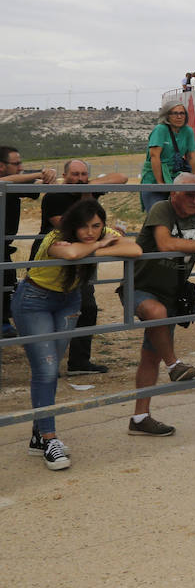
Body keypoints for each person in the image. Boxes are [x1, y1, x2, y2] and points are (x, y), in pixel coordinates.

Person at [15, 199, 142, 469]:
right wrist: (98, 246)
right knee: (46, 370)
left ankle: (40, 437)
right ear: (72, 224)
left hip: (69, 301)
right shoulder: (55, 238)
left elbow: (135, 249)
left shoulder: (103, 234)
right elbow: (71, 254)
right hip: (34, 300)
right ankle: (50, 439)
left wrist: (96, 247)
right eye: (83, 227)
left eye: (96, 226)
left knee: (50, 369)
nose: (90, 232)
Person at [125, 174, 195, 435]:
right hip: (141, 287)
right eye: (189, 194)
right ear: (174, 193)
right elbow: (166, 243)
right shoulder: (161, 208)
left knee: (150, 354)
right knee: (157, 314)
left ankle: (140, 418)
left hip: (171, 292)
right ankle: (174, 365)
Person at [36, 160, 129, 375]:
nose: (79, 178)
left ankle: (79, 362)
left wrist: (87, 188)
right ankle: (48, 365)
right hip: (54, 261)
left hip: (82, 261)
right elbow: (67, 226)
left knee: (87, 308)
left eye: (83, 174)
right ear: (64, 175)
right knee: (54, 311)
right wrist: (102, 232)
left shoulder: (89, 192)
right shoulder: (56, 195)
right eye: (75, 174)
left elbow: (121, 177)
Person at [2, 149, 57, 336]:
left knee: (7, 282)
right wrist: (39, 172)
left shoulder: (16, 183)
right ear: (1, 166)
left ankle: (4, 323)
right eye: (16, 164)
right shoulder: (5, 182)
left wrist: (49, 176)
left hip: (3, 247)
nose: (21, 168)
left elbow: (38, 185)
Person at [139, 100, 195, 212]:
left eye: (182, 113)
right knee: (157, 213)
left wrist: (192, 180)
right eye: (175, 113)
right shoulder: (160, 129)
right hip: (154, 177)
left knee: (180, 212)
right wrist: (160, 183)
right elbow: (155, 156)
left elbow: (191, 157)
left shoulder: (188, 131)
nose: (179, 116)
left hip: (176, 177)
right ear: (167, 116)